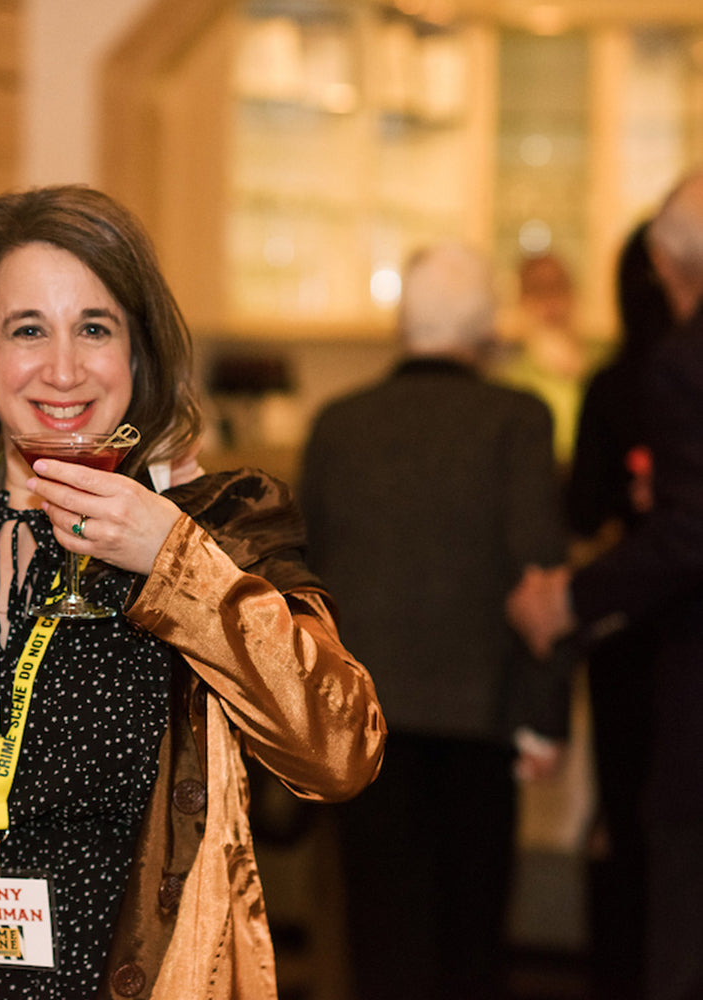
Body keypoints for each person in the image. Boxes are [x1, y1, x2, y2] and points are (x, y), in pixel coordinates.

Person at [0, 185, 385, 1000]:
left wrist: (173, 560)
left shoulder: (220, 525)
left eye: (95, 329)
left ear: (138, 357)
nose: (64, 368)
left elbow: (341, 751)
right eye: (28, 330)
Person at [299, 242, 572, 1000]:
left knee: (381, 942)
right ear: (486, 328)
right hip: (480, 718)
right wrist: (545, 719)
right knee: (470, 945)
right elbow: (540, 573)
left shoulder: (338, 424)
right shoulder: (517, 418)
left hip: (363, 722)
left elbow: (300, 584)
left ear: (402, 322)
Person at [509, 169, 703, 1000]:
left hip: (666, 653)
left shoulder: (673, 368)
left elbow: (685, 532)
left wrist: (567, 601)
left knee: (660, 852)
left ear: (664, 265)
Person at [567, 220, 672, 999]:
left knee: (626, 820)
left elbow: (582, 513)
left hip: (627, 633)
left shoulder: (617, 383)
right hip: (675, 624)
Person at [496, 249, 599, 464]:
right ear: (522, 300)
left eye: (558, 287)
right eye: (538, 290)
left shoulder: (599, 363)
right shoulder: (508, 378)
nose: (551, 301)